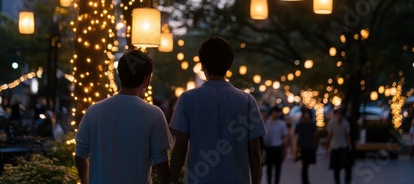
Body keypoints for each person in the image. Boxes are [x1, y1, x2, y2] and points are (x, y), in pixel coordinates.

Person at [169, 36, 266, 184]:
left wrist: (171, 181)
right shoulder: (247, 101)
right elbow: (255, 151)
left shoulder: (187, 99)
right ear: (229, 64)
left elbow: (180, 148)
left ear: (202, 64)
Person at [75, 50, 172, 184]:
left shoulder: (94, 110)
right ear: (146, 79)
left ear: (120, 76)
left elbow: (80, 155)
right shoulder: (154, 114)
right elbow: (161, 162)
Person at [326, 108, 352, 184]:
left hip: (343, 146)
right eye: (338, 114)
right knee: (336, 168)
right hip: (334, 147)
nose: (339, 116)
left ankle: (347, 181)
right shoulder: (332, 123)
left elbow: (347, 135)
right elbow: (329, 136)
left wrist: (349, 145)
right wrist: (327, 146)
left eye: (340, 114)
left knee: (345, 165)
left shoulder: (345, 123)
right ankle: (337, 182)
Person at [263, 106, 288, 184]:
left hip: (278, 148)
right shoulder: (267, 123)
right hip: (269, 148)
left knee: (278, 168)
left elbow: (284, 137)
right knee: (269, 168)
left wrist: (285, 149)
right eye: (274, 112)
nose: (276, 114)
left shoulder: (281, 124)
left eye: (277, 113)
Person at [293, 109, 318, 184]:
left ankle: (305, 181)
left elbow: (315, 136)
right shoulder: (300, 125)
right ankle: (305, 181)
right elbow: (295, 137)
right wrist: (296, 149)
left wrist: (316, 145)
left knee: (306, 165)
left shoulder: (312, 124)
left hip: (310, 147)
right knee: (304, 165)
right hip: (303, 147)